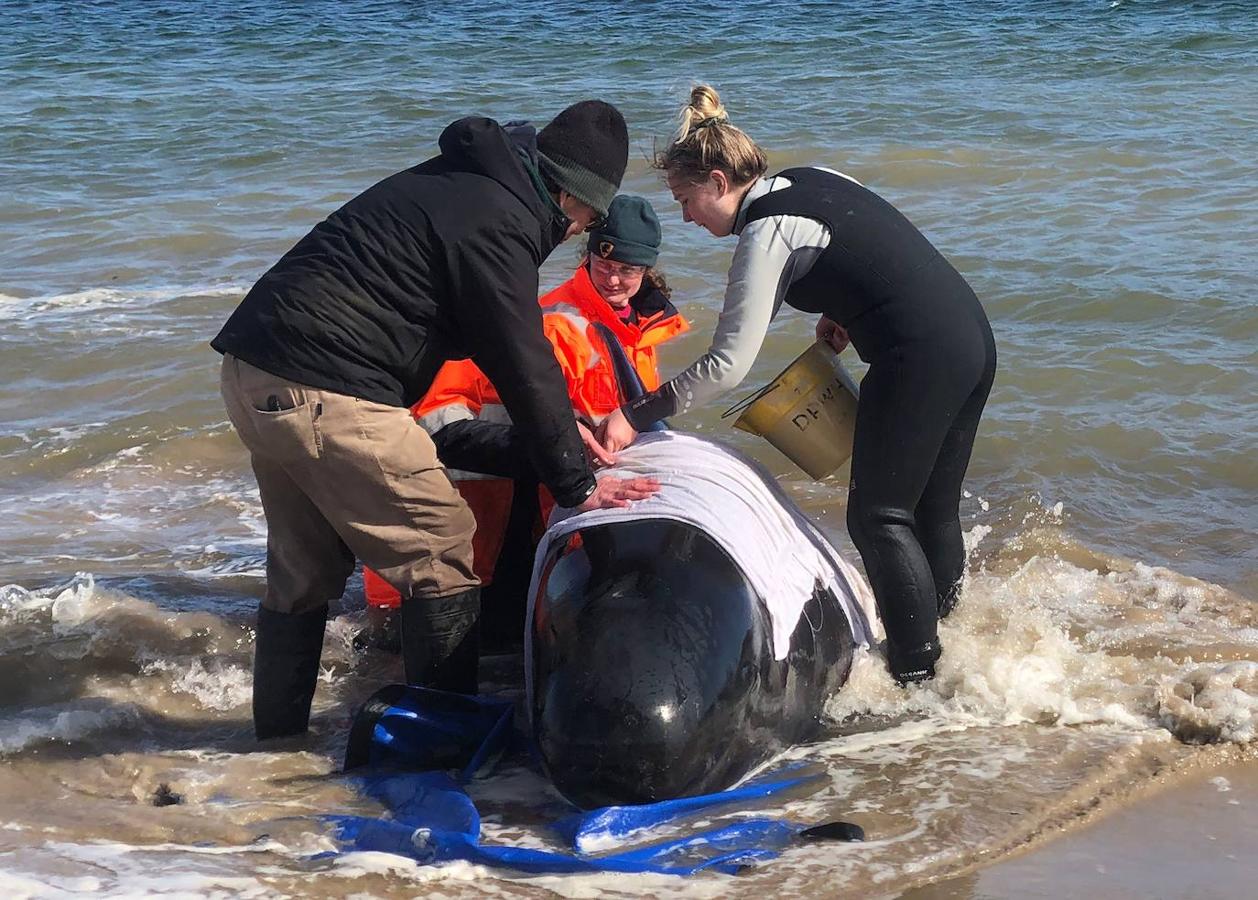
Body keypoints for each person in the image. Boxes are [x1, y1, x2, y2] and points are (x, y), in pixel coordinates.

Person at [212, 100, 660, 740]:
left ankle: (276, 744)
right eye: (586, 220)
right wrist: (579, 486)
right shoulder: (501, 219)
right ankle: (435, 752)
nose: (575, 234)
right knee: (443, 544)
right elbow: (522, 360)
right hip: (329, 384)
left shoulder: (468, 183)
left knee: (302, 573)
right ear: (569, 196)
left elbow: (494, 341)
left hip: (253, 372)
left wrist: (566, 434)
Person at [597, 86, 997, 685]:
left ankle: (916, 680)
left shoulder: (767, 231)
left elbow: (728, 364)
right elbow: (877, 245)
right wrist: (847, 305)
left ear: (715, 180)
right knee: (931, 509)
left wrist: (635, 413)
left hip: (916, 357)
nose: (684, 215)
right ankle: (952, 648)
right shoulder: (811, 177)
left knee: (879, 518)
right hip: (970, 335)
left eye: (685, 200)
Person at [362, 195, 688, 648]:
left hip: (543, 483)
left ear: (647, 272)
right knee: (476, 636)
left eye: (628, 270)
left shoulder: (637, 330)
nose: (614, 279)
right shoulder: (556, 322)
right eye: (603, 264)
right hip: (491, 500)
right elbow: (461, 417)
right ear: (588, 255)